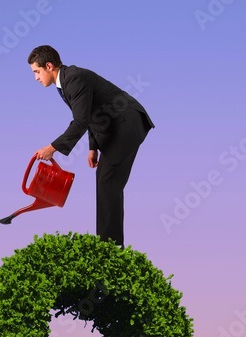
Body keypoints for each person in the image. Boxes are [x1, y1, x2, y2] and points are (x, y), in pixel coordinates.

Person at [28, 45, 153, 247]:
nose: (35, 78)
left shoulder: (74, 79)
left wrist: (52, 148)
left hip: (126, 124)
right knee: (106, 183)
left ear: (49, 66)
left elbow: (80, 121)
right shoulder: (66, 82)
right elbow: (91, 114)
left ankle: (109, 249)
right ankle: (108, 246)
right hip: (114, 127)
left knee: (108, 184)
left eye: (36, 71)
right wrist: (93, 147)